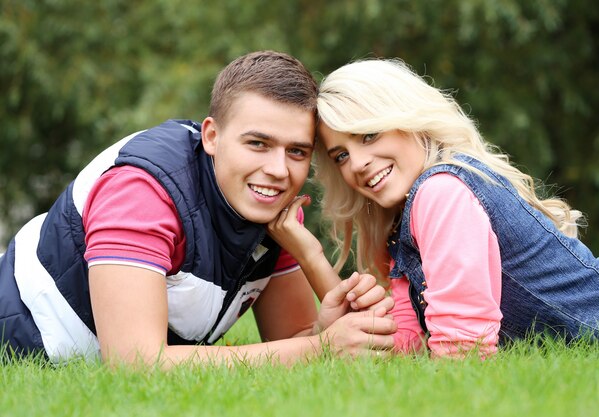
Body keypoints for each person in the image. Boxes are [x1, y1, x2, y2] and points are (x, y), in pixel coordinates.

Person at [0, 51, 396, 366]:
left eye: (296, 151)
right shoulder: (144, 190)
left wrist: (321, 331)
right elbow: (136, 364)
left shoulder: (271, 211)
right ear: (211, 136)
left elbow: (289, 346)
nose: (278, 171)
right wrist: (320, 348)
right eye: (257, 143)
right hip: (19, 338)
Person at [271, 58, 599, 359]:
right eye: (341, 156)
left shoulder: (442, 192)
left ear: (408, 120)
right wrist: (311, 255)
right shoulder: (406, 218)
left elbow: (463, 349)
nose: (358, 163)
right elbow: (403, 344)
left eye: (369, 135)